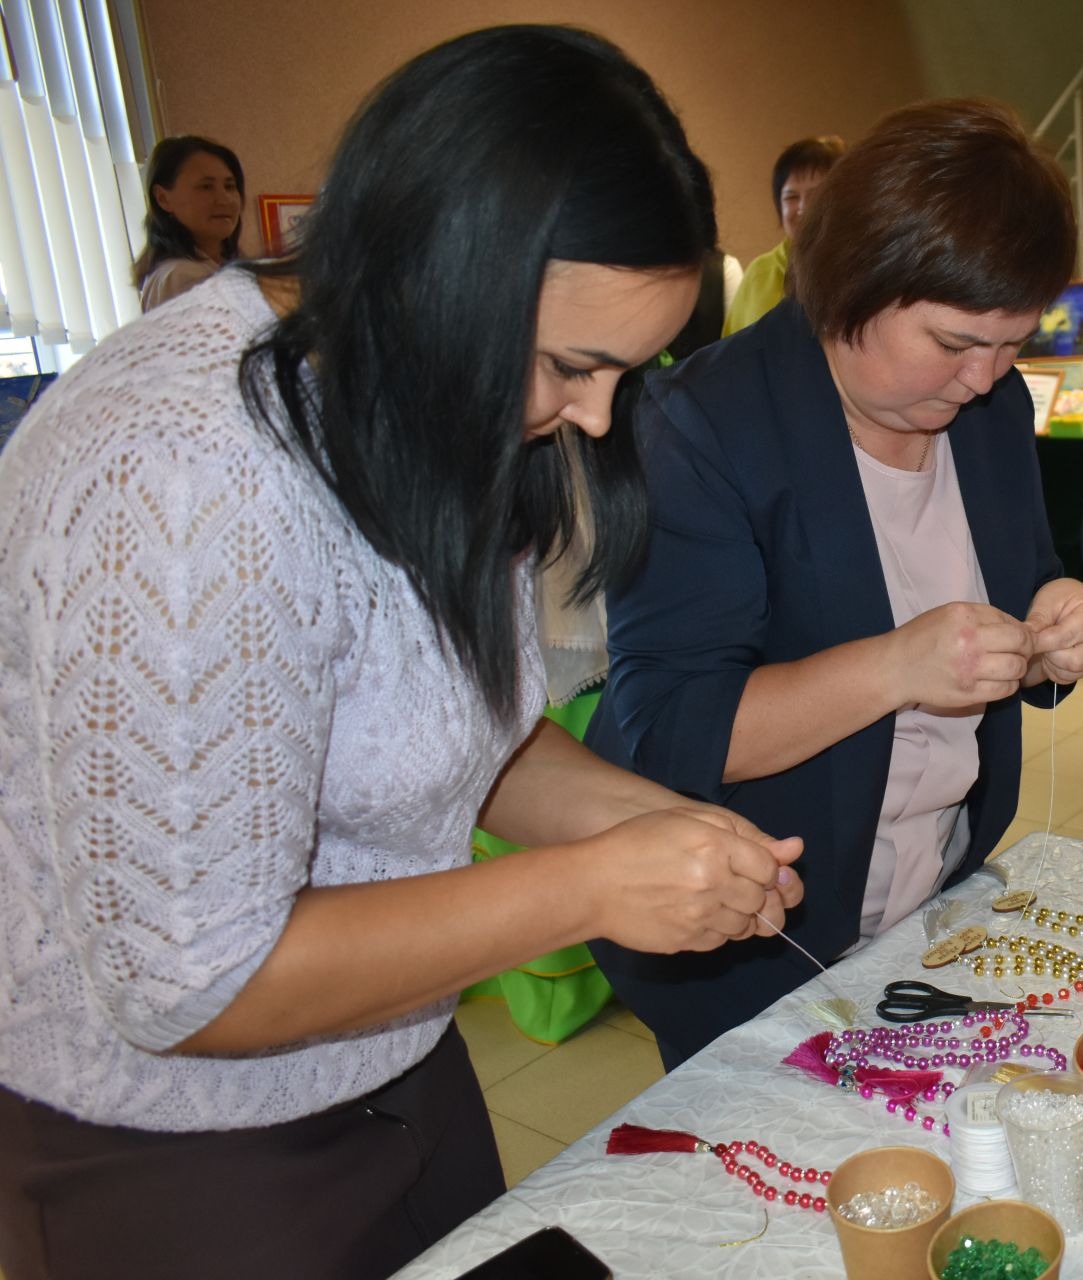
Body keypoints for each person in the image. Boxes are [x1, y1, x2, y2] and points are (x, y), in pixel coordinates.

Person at [0, 28, 805, 1279]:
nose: (593, 417)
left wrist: (662, 828)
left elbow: (464, 735)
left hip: (398, 1069)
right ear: (443, 268)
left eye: (623, 375)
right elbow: (191, 983)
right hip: (179, 1160)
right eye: (571, 367)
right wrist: (592, 888)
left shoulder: (424, 390)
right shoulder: (186, 476)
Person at [584, 99, 1083, 1066]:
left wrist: (1057, 622)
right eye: (955, 343)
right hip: (758, 932)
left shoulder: (986, 408)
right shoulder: (704, 427)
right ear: (852, 283)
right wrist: (897, 667)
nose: (988, 378)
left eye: (1013, 343)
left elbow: (1018, 583)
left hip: (931, 897)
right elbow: (672, 726)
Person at [721, 133, 847, 335]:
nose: (803, 208)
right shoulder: (760, 274)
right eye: (792, 197)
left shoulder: (865, 272)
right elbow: (729, 356)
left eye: (816, 195)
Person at [132, 135, 245, 311]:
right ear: (163, 198)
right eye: (206, 187)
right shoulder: (183, 276)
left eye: (230, 186)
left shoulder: (219, 267)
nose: (224, 199)